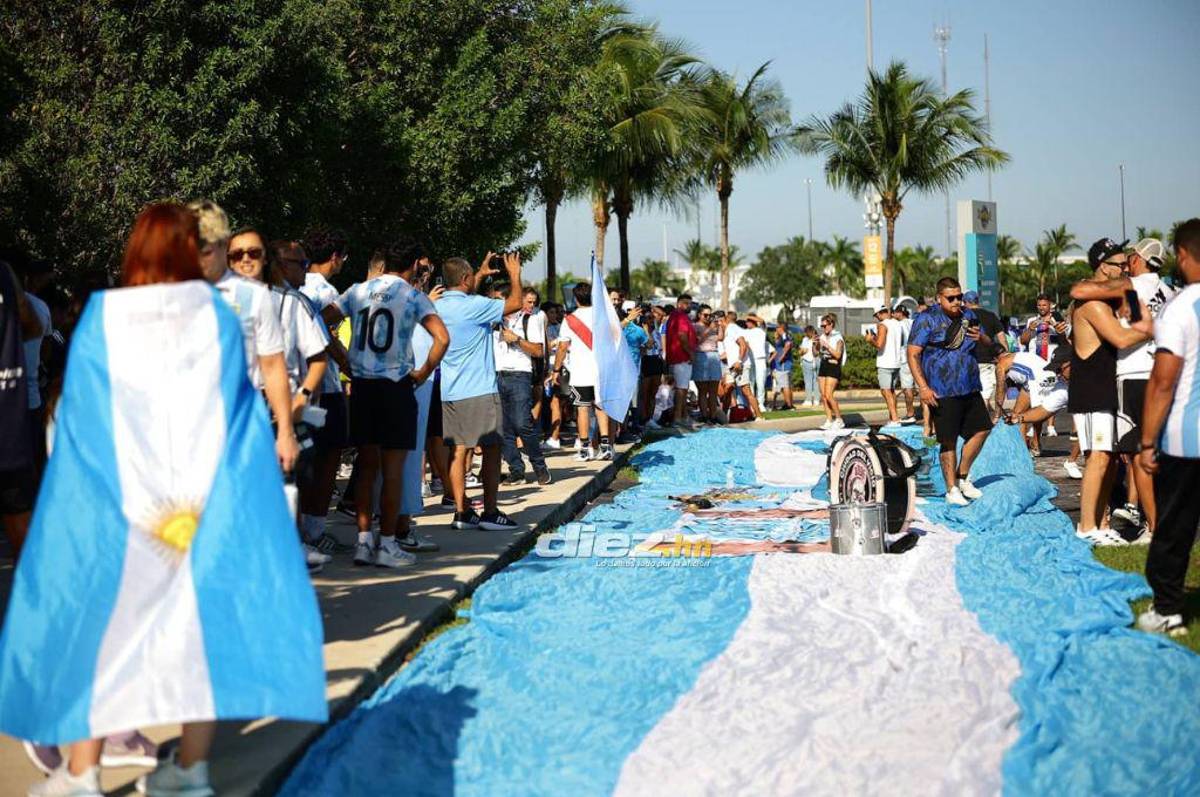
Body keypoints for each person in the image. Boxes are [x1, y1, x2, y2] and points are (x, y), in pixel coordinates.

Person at [3, 203, 324, 797]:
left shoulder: (102, 317)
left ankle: (82, 775)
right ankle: (190, 771)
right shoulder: (219, 317)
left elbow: (82, 423)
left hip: (121, 503)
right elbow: (234, 420)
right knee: (196, 634)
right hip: (196, 505)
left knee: (102, 632)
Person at [320, 238, 449, 564]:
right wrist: (423, 371)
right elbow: (442, 338)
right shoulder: (412, 296)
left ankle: (364, 541)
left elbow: (322, 320)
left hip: (363, 384)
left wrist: (344, 359)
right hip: (396, 385)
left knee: (366, 467)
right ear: (411, 265)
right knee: (392, 471)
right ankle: (388, 542)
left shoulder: (358, 290)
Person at [231, 229, 332, 570]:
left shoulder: (293, 303)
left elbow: (319, 357)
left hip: (280, 403)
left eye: (254, 255)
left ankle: (291, 544)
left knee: (290, 478)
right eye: (299, 262)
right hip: (237, 405)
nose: (305, 268)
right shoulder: (225, 300)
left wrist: (302, 397)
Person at [1069, 237, 1176, 539]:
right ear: (1104, 267)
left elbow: (1138, 323)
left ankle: (1101, 525)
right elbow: (1123, 337)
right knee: (1101, 457)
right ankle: (1089, 526)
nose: (1125, 268)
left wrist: (1147, 323)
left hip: (1115, 383)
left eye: (1128, 261)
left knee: (1112, 457)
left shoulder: (1125, 291)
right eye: (1119, 263)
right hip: (1094, 387)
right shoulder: (1095, 302)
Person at [189, 201, 297, 470]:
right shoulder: (175, 292)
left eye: (208, 247)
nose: (201, 254)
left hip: (238, 420)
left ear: (223, 244)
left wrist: (284, 431)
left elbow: (272, 366)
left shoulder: (253, 295)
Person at [1135, 218, 1200, 637]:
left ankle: (1168, 610)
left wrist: (1145, 441)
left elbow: (1162, 381)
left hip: (1185, 438)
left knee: (1174, 528)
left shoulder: (1180, 306)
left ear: (1181, 255)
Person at [437, 252, 523, 529]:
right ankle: (490, 512)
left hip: (450, 390)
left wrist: (482, 273)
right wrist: (514, 274)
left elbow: (466, 287)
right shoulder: (476, 305)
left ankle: (461, 511)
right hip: (480, 390)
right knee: (492, 448)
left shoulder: (436, 306)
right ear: (465, 279)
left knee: (458, 450)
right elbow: (516, 303)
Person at [907, 277, 994, 506]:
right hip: (941, 390)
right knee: (948, 440)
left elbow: (987, 340)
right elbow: (913, 353)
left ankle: (962, 476)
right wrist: (923, 388)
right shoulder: (927, 319)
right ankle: (951, 489)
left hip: (969, 385)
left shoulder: (970, 315)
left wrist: (981, 338)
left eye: (959, 297)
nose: (957, 301)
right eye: (951, 298)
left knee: (983, 429)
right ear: (939, 298)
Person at [297, 228, 354, 552]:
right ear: (335, 257)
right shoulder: (325, 289)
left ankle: (302, 529)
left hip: (297, 384)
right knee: (327, 460)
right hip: (326, 385)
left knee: (304, 462)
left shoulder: (292, 285)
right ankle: (315, 531)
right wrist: (348, 365)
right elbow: (323, 334)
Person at [495, 284, 552, 486]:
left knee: (522, 423)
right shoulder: (493, 321)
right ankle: (516, 470)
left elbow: (538, 351)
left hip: (520, 375)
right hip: (496, 375)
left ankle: (539, 466)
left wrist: (516, 339)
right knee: (503, 428)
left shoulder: (531, 319)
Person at [550, 282, 614, 461]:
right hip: (601, 370)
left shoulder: (570, 319)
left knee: (583, 409)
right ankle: (605, 446)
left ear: (575, 298)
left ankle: (585, 449)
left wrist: (556, 369)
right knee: (601, 407)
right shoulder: (602, 317)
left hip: (580, 372)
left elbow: (562, 347)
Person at [963, 291, 1008, 418]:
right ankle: (988, 419)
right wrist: (1005, 356)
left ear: (965, 302)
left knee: (976, 393)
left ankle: (979, 422)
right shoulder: (991, 316)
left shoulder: (964, 317)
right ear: (978, 301)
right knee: (988, 391)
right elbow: (1001, 338)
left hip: (969, 359)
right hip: (988, 359)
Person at [720, 312, 762, 421]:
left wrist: (739, 361)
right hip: (732, 366)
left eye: (719, 321)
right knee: (728, 390)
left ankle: (759, 416)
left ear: (723, 320)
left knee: (746, 390)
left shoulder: (732, 329)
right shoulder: (728, 330)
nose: (718, 324)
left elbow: (743, 345)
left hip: (740, 365)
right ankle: (723, 418)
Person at [664, 294, 697, 428]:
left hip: (676, 357)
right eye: (685, 303)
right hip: (681, 357)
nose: (688, 305)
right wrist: (690, 353)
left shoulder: (674, 316)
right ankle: (678, 418)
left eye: (690, 303)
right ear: (678, 303)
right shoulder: (681, 317)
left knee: (682, 388)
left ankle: (683, 416)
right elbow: (682, 336)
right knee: (681, 390)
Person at [868, 307, 904, 423]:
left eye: (876, 316)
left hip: (885, 362)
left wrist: (870, 340)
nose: (877, 318)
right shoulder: (898, 324)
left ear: (879, 314)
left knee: (886, 391)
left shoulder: (883, 325)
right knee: (891, 391)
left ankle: (894, 419)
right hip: (896, 362)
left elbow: (879, 345)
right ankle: (893, 417)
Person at [692, 307, 723, 423]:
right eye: (706, 315)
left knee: (714, 390)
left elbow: (720, 338)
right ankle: (704, 415)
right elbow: (696, 341)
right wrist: (709, 329)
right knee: (703, 390)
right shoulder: (695, 326)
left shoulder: (712, 325)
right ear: (699, 314)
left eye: (710, 315)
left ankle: (713, 416)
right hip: (701, 355)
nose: (708, 317)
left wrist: (719, 325)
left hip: (714, 355)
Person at [1020, 293, 1069, 361]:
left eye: (1044, 305)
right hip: (1034, 360)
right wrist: (1029, 329)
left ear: (1050, 305)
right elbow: (1023, 341)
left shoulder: (1058, 322)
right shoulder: (1031, 321)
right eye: (1039, 305)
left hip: (1052, 361)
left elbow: (1065, 344)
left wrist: (1057, 330)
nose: (1041, 308)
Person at [816, 314, 844, 430]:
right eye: (821, 326)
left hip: (833, 366)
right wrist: (816, 345)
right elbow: (815, 353)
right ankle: (829, 419)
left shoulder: (838, 338)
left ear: (831, 324)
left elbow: (838, 355)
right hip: (824, 364)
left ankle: (839, 419)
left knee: (828, 395)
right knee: (823, 396)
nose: (823, 328)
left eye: (825, 325)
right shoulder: (822, 336)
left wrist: (826, 346)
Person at [891, 306, 917, 423]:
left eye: (895, 312)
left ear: (899, 313)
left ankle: (910, 414)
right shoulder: (914, 322)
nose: (893, 315)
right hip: (917, 357)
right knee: (921, 388)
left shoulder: (898, 325)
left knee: (907, 388)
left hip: (904, 358)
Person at [744, 314, 770, 410]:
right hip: (750, 360)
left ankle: (761, 404)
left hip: (760, 359)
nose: (747, 323)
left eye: (749, 321)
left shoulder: (761, 330)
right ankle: (752, 404)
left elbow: (762, 321)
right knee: (750, 382)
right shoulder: (745, 332)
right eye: (746, 321)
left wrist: (750, 317)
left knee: (760, 383)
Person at [767, 323, 794, 411]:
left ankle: (788, 405)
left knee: (785, 385)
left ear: (781, 328)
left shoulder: (784, 336)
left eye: (777, 328)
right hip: (784, 365)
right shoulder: (782, 337)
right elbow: (777, 350)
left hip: (783, 365)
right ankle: (789, 404)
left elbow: (788, 344)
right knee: (787, 385)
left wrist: (782, 357)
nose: (776, 329)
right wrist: (771, 360)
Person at [798, 325, 819, 408]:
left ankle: (808, 400)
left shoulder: (805, 340)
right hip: (817, 361)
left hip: (807, 361)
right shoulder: (818, 339)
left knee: (808, 381)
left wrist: (802, 351)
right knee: (816, 382)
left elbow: (802, 351)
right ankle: (817, 400)